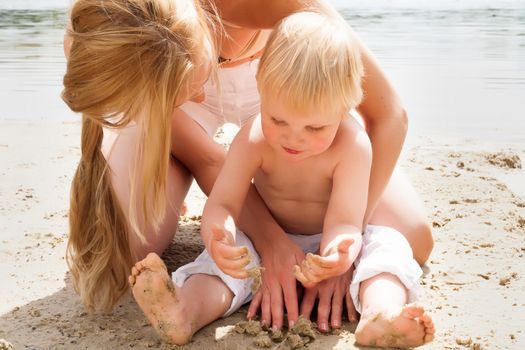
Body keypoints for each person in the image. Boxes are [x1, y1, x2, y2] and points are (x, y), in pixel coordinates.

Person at [62, 0, 434, 332]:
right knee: (128, 250)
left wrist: (347, 238)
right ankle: (167, 174)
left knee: (412, 235)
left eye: (194, 83)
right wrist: (270, 243)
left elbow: (390, 117)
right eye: (186, 90)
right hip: (241, 115)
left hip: (288, 92)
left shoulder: (282, 10)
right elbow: (211, 161)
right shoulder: (101, 30)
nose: (201, 92)